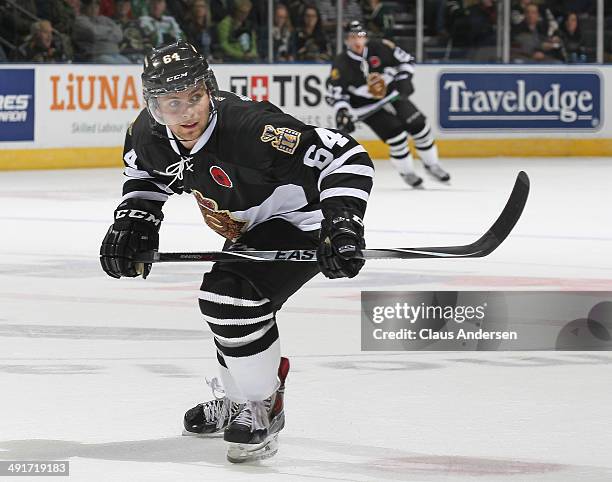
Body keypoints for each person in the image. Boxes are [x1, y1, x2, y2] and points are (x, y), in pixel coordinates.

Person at [99, 41, 372, 463]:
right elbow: (146, 175)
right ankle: (238, 398)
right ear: (152, 104)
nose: (186, 112)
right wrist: (134, 218)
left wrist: (343, 223)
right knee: (226, 305)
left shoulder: (252, 128)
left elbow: (346, 155)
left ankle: (262, 405)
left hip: (303, 218)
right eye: (172, 103)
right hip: (253, 226)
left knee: (230, 299)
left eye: (194, 96)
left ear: (209, 88)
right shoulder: (147, 135)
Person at [327, 21, 450, 188]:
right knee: (397, 136)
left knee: (419, 125)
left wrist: (404, 78)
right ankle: (407, 172)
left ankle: (432, 165)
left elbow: (406, 60)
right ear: (346, 40)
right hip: (367, 107)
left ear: (366, 37)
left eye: (360, 36)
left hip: (393, 95)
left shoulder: (381, 47)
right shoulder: (341, 63)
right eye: (352, 37)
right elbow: (336, 94)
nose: (357, 41)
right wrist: (342, 111)